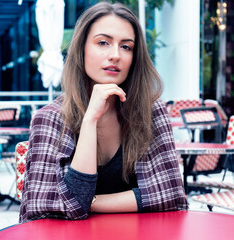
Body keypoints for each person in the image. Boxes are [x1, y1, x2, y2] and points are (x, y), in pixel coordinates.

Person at [19, 2, 188, 223]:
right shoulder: (50, 119)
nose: (115, 55)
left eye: (126, 46)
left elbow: (171, 195)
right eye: (103, 43)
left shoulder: (151, 111)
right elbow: (41, 211)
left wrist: (88, 202)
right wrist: (90, 120)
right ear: (81, 49)